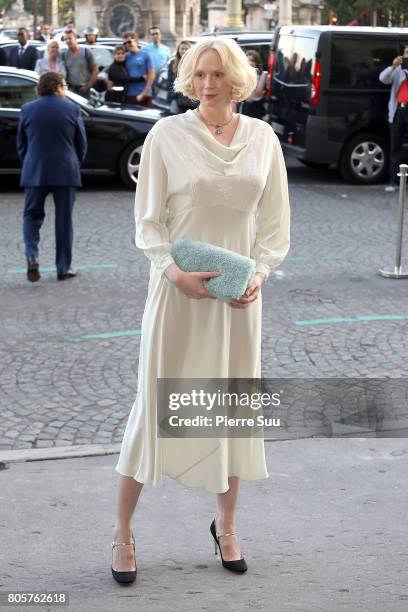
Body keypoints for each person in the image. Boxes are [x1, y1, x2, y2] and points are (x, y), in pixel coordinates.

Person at [111, 37, 290, 583]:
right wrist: (176, 275)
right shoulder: (166, 134)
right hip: (177, 294)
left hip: (237, 301)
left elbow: (275, 226)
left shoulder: (263, 139)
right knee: (153, 409)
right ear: (189, 79)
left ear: (237, 79)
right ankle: (122, 534)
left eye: (218, 74)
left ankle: (227, 528)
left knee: (229, 411)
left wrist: (256, 276)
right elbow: (149, 224)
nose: (209, 84)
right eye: (200, 74)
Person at [16, 72, 87, 282]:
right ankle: (63, 268)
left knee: (31, 215)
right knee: (64, 221)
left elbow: (21, 144)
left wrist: (29, 163)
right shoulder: (72, 109)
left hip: (35, 170)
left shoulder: (27, 109)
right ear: (58, 86)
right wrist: (74, 164)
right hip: (66, 171)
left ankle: (32, 256)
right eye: (64, 85)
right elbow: (81, 144)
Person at [379, 44, 408, 192]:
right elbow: (383, 79)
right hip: (399, 110)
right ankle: (393, 181)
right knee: (395, 146)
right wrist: (393, 66)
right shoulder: (398, 71)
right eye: (407, 53)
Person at [122, 31, 155, 108]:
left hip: (145, 94)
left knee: (145, 118)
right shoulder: (125, 56)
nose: (127, 45)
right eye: (125, 43)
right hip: (130, 94)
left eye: (129, 42)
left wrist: (145, 92)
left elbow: (152, 74)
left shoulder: (146, 55)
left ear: (136, 41)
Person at [63, 30, 98, 98]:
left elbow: (95, 69)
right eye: (66, 39)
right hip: (70, 89)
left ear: (75, 38)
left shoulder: (86, 52)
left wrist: (88, 86)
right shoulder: (65, 54)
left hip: (83, 89)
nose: (68, 41)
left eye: (70, 38)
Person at [166, 39, 198, 114]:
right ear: (178, 50)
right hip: (176, 98)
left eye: (186, 49)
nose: (183, 51)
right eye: (182, 49)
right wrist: (173, 95)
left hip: (190, 99)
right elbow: (169, 82)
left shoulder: (195, 63)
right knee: (175, 120)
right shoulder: (173, 63)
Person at [238, 50, 266, 120]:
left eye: (253, 60)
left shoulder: (262, 75)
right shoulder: (242, 75)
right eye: (248, 60)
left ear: (257, 62)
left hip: (256, 108)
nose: (250, 62)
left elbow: (257, 93)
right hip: (245, 107)